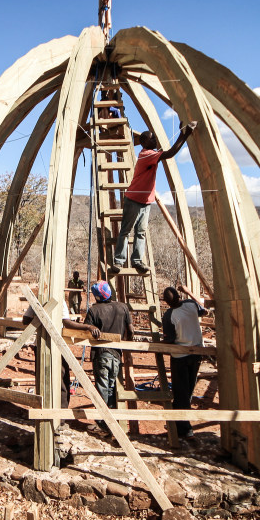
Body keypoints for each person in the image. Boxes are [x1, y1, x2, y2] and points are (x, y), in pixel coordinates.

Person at [108, 121, 197, 276]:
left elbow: (167, 152)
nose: (155, 140)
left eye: (155, 138)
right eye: (152, 138)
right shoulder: (146, 154)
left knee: (140, 232)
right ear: (144, 142)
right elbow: (170, 153)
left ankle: (137, 261)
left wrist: (182, 132)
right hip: (134, 199)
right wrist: (185, 134)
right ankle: (119, 261)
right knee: (126, 231)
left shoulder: (151, 154)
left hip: (145, 202)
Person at [22, 299, 100, 410]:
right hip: (56, 344)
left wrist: (40, 317)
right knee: (62, 378)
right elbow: (67, 323)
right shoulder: (59, 300)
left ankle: (44, 410)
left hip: (40, 344)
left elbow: (25, 320)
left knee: (42, 377)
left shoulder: (37, 300)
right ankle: (60, 414)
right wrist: (87, 327)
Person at [82, 280, 133, 434]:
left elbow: (85, 331)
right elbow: (130, 331)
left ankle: (103, 422)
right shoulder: (122, 307)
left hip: (101, 353)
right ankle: (111, 420)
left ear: (97, 296)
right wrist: (126, 345)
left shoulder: (94, 310)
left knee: (102, 387)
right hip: (116, 354)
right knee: (111, 386)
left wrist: (91, 327)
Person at [161, 283, 207, 439]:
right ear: (180, 296)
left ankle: (184, 428)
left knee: (181, 392)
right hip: (197, 354)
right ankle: (177, 420)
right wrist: (189, 292)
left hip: (180, 357)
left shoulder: (169, 316)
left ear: (165, 302)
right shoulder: (190, 304)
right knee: (188, 389)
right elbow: (204, 309)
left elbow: (171, 340)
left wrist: (157, 344)